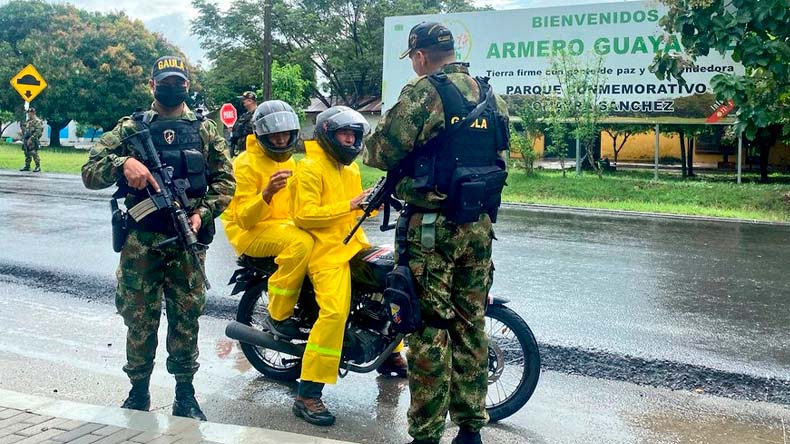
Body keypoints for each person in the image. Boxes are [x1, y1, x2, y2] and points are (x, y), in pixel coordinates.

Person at [364, 22, 510, 444]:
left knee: (428, 329)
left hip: (431, 230)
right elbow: (500, 158)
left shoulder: (424, 91)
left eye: (412, 59)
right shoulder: (489, 96)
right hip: (479, 227)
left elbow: (379, 150)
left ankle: (426, 435)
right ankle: (470, 431)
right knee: (470, 325)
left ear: (421, 56)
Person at [81, 55, 235, 421]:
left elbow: (226, 182)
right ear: (151, 85)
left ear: (187, 85)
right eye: (165, 81)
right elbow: (90, 172)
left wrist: (202, 213)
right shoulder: (130, 128)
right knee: (139, 318)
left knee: (186, 318)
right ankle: (138, 393)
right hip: (141, 244)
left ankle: (185, 394)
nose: (173, 87)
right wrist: (123, 164)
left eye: (179, 82)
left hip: (187, 242)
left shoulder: (204, 129)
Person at [287, 106, 376, 426]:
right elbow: (304, 215)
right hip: (324, 252)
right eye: (344, 134)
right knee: (335, 313)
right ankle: (308, 394)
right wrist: (350, 204)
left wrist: (372, 202)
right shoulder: (309, 168)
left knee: (392, 283)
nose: (350, 141)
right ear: (327, 134)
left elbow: (353, 212)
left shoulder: (348, 170)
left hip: (352, 243)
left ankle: (391, 354)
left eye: (354, 136)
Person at [221, 100, 313, 338]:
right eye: (275, 136)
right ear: (262, 135)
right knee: (300, 244)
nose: (281, 140)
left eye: (285, 134)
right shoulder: (244, 164)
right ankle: (278, 316)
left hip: (281, 226)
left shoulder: (288, 161)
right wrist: (267, 193)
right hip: (249, 232)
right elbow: (243, 218)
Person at [229, 91, 258, 157]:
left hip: (254, 150)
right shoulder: (245, 115)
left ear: (250, 101)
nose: (243, 102)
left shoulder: (258, 114)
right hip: (243, 150)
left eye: (244, 100)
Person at [20, 107, 43, 172]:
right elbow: (26, 129)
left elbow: (38, 132)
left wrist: (31, 138)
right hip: (26, 138)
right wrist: (22, 133)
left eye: (30, 113)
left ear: (33, 113)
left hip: (33, 139)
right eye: (28, 113)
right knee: (26, 153)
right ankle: (27, 166)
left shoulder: (37, 121)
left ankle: (38, 166)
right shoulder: (28, 121)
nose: (29, 115)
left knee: (34, 153)